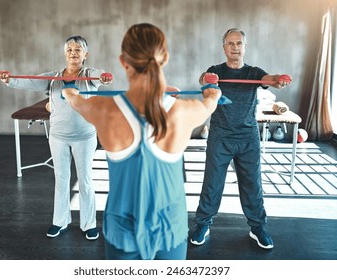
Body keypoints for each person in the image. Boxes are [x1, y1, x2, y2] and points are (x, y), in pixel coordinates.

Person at [62, 23, 221, 260]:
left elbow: (74, 99)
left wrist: (69, 91)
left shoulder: (104, 110)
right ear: (164, 58)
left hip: (121, 232)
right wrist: (211, 90)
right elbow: (210, 102)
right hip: (170, 230)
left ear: (123, 61)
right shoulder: (184, 112)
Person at [0, 36, 112, 240]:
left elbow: (99, 75)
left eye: (78, 49)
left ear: (86, 54)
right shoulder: (54, 77)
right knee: (61, 179)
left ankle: (89, 224)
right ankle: (59, 221)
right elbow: (30, 81)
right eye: (69, 49)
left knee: (85, 181)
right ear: (65, 53)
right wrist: (9, 80)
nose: (73, 52)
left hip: (84, 137)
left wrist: (104, 78)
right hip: (58, 137)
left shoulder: (89, 75)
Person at [190, 28, 292, 249]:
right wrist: (208, 80)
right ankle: (202, 224)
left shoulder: (254, 73)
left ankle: (258, 228)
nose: (235, 47)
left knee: (252, 185)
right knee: (212, 184)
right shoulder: (215, 71)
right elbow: (203, 81)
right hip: (220, 136)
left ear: (245, 47)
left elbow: (269, 79)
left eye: (239, 43)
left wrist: (278, 80)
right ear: (224, 47)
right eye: (230, 43)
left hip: (247, 137)